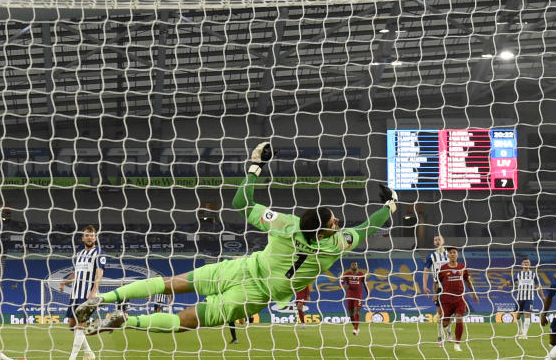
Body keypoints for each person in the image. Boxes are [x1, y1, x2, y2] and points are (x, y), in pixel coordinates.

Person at [76, 141, 398, 334]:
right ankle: (124, 322)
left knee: (174, 282)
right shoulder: (334, 246)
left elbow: (241, 204)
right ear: (324, 231)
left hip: (242, 268)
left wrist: (255, 167)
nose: (338, 221)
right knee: (186, 321)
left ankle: (103, 300)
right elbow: (370, 226)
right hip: (253, 295)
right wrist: (390, 204)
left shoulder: (285, 224)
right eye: (334, 220)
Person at [58, 225, 106, 360]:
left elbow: (99, 273)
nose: (89, 237)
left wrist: (94, 291)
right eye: (87, 235)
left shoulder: (99, 253)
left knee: (80, 325)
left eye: (92, 235)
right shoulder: (79, 254)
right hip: (74, 294)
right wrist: (65, 281)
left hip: (87, 294)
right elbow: (77, 272)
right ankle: (89, 353)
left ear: (95, 237)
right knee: (72, 325)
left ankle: (71, 359)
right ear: (83, 238)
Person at [436, 247, 479, 352]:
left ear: (457, 255)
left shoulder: (462, 267)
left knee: (459, 317)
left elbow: (468, 281)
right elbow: (436, 282)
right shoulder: (443, 268)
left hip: (460, 298)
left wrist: (473, 293)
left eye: (454, 252)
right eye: (450, 253)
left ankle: (457, 343)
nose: (452, 254)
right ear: (448, 255)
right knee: (445, 322)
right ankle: (448, 331)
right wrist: (435, 294)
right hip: (446, 299)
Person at [498, 257, 540, 340]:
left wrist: (542, 296)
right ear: (522, 264)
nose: (526, 264)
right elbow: (510, 281)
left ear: (530, 264)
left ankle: (525, 334)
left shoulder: (533, 274)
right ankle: (520, 330)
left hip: (529, 298)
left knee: (527, 315)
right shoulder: (518, 274)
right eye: (524, 262)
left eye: (527, 262)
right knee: (518, 316)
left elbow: (538, 285)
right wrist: (503, 286)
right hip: (519, 298)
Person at [422, 234, 450, 344]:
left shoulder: (450, 254)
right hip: (438, 286)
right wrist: (424, 285)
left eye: (439, 239)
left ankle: (448, 332)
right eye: (435, 240)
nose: (437, 241)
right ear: (434, 243)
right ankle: (440, 336)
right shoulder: (431, 256)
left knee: (448, 312)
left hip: (450, 286)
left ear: (443, 241)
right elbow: (426, 271)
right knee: (439, 312)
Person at [340, 261, 368, 335]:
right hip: (349, 296)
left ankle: (355, 329)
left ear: (357, 265)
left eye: (355, 264)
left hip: (358, 296)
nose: (354, 265)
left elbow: (365, 285)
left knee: (357, 311)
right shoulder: (347, 274)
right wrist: (345, 286)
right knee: (351, 314)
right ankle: (356, 328)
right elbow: (341, 283)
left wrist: (368, 294)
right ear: (351, 266)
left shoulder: (361, 274)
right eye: (353, 264)